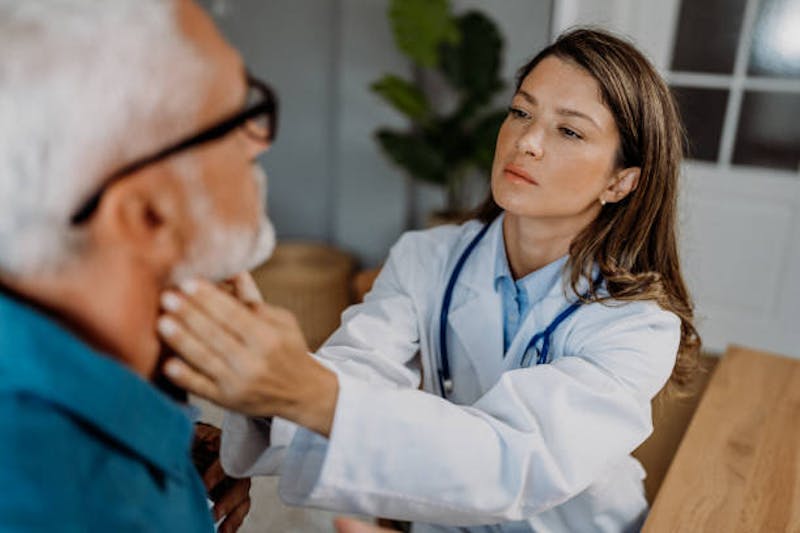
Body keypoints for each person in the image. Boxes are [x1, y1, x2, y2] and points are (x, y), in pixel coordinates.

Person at [158, 28, 701, 532]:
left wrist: (304, 390)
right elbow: (359, 366)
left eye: (569, 130)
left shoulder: (637, 325)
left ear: (621, 182)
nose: (527, 141)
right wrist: (259, 411)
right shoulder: (428, 257)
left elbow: (516, 462)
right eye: (520, 112)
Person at [0, 0, 276, 530]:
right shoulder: (64, 505)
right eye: (238, 118)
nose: (259, 143)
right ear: (147, 213)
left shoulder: (93, 413)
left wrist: (166, 451)